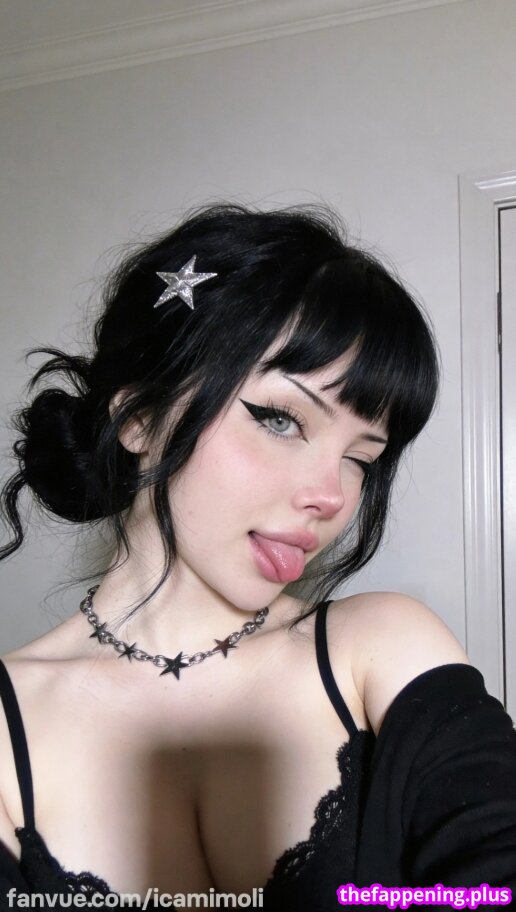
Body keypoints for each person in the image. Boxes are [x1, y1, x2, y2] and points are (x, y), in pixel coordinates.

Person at [0, 203, 514, 912]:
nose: (331, 496)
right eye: (280, 419)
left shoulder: (379, 650)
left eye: (361, 459)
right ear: (140, 417)